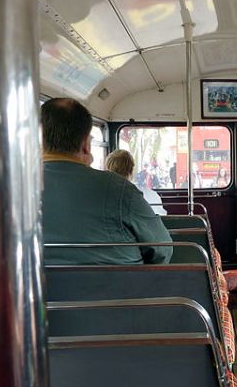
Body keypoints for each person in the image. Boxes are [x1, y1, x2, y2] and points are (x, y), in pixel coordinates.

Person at [42, 98, 172, 265]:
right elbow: (162, 249)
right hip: (124, 290)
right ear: (86, 145)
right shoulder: (119, 189)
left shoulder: (9, 193)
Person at [106, 149, 167, 216]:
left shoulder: (101, 196)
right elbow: (159, 220)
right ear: (131, 170)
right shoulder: (150, 196)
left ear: (108, 169)